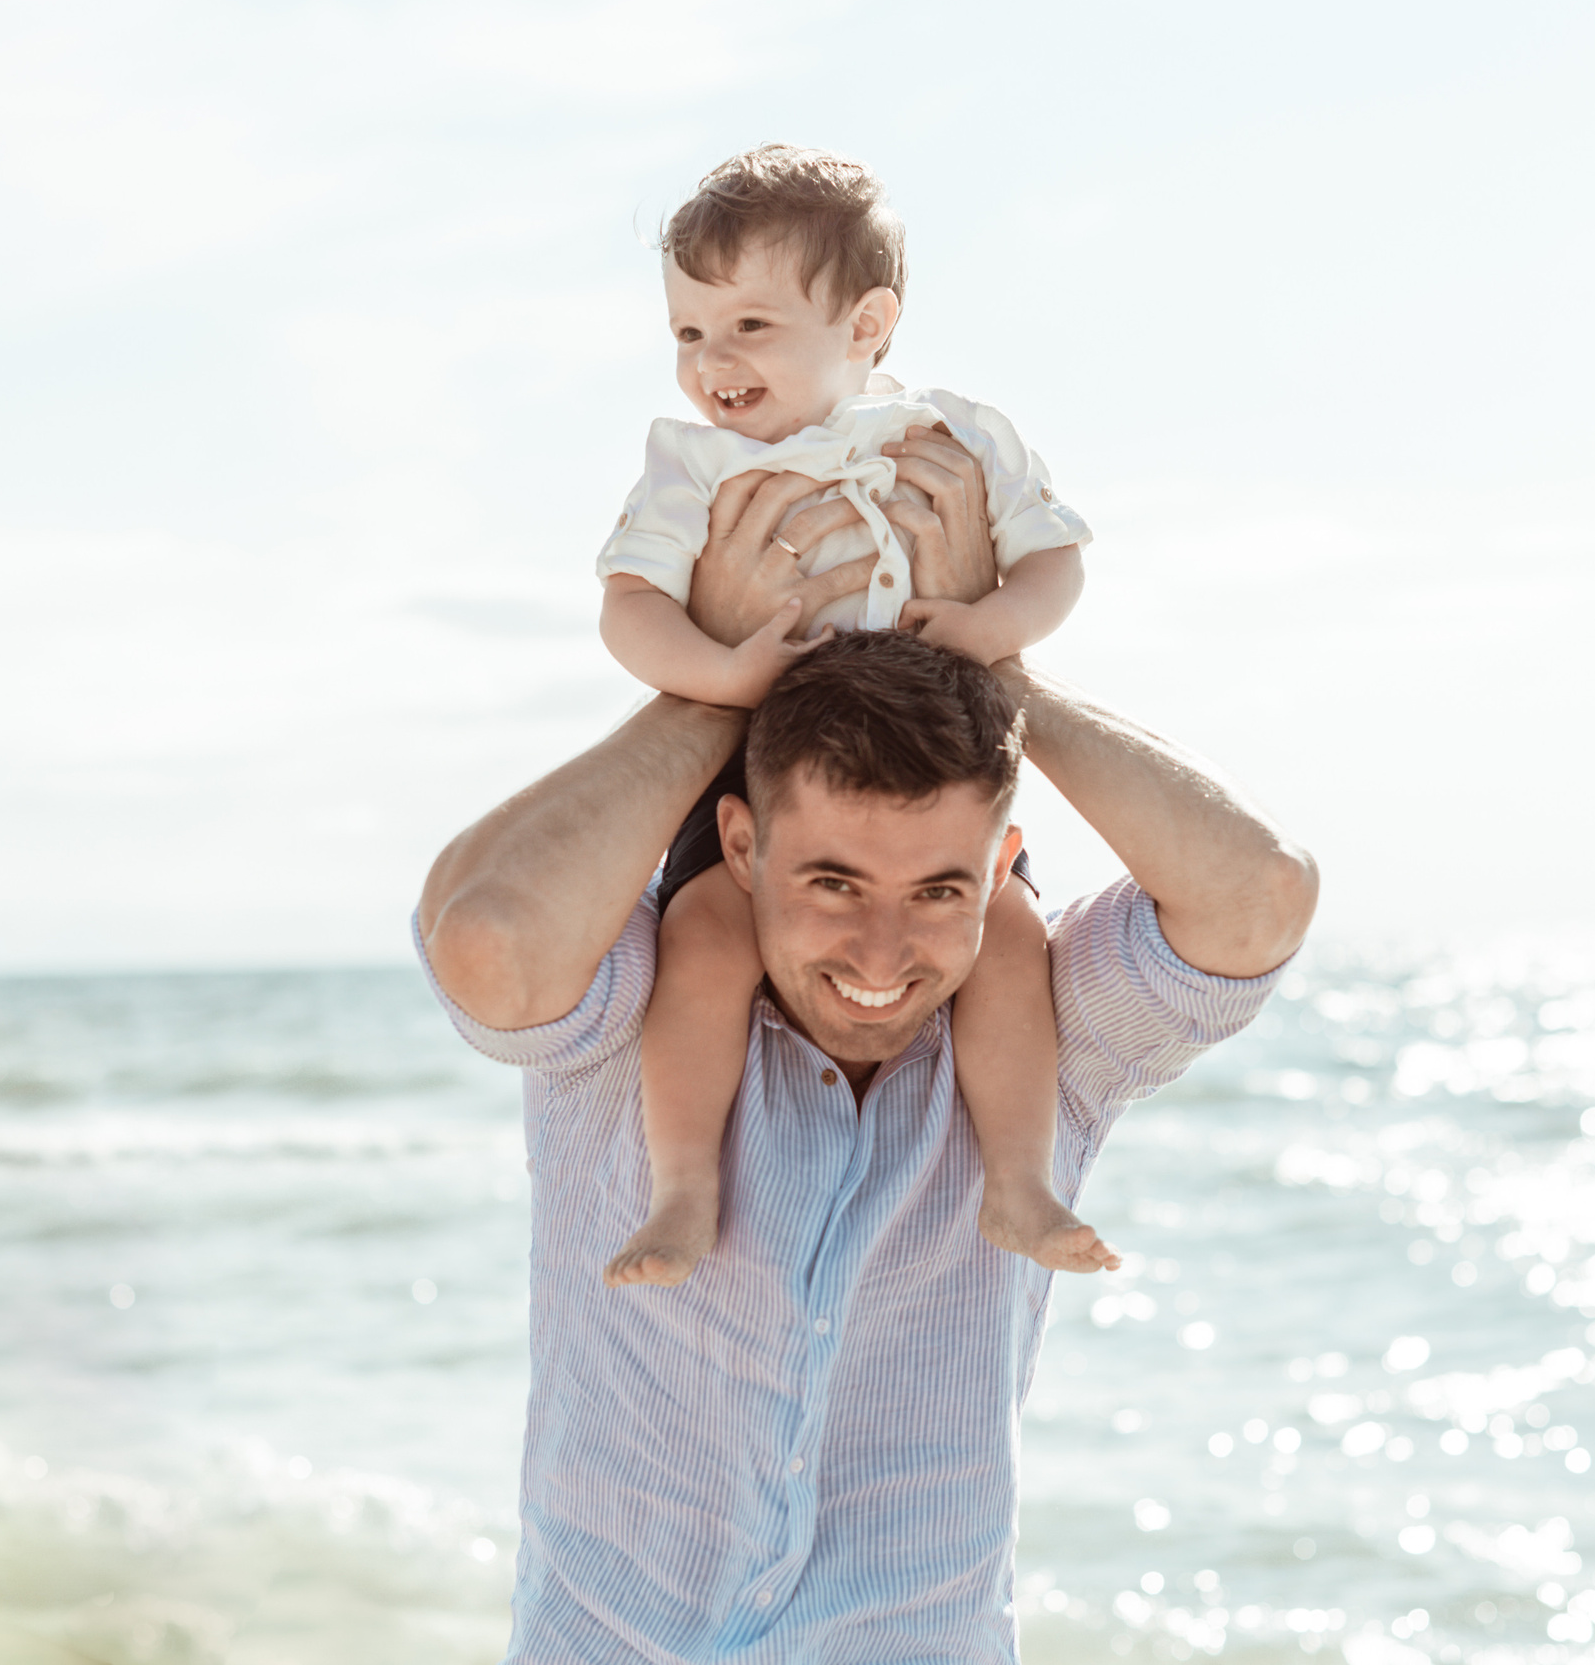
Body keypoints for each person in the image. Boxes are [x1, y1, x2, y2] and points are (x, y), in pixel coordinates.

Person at [413, 462, 1318, 1661]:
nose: (883, 952)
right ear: (741, 845)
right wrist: (716, 687)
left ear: (999, 871)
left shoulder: (1050, 1030)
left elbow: (1258, 894)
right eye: (831, 882)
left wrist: (999, 679)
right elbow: (482, 936)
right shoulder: (638, 1006)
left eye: (939, 888)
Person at [595, 145, 1097, 1288]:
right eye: (687, 334)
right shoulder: (694, 464)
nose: (711, 362)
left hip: (928, 774)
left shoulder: (958, 438)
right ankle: (680, 1192)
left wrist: (990, 627)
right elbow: (627, 609)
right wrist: (720, 673)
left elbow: (1056, 563)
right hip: (762, 774)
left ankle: (1019, 1185)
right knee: (708, 936)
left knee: (1011, 937)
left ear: (867, 324)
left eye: (750, 327)